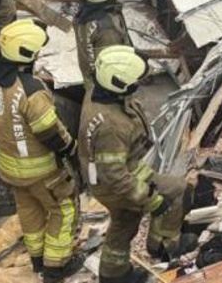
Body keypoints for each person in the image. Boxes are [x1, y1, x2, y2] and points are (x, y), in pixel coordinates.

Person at [79, 45, 195, 283]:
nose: (138, 85)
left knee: (176, 188)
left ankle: (160, 244)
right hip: (115, 182)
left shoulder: (100, 92)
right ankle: (114, 275)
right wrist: (151, 200)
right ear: (119, 84)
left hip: (126, 168)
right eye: (134, 81)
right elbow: (115, 176)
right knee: (125, 224)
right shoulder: (111, 126)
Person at [0, 19, 82, 282]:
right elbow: (50, 131)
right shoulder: (31, 90)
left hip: (9, 167)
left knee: (30, 212)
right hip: (40, 169)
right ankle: (56, 268)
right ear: (26, 54)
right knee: (63, 211)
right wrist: (72, 149)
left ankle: (38, 261)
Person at [75, 0, 133, 90]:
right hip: (105, 87)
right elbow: (112, 68)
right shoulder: (107, 29)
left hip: (91, 81)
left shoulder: (85, 13)